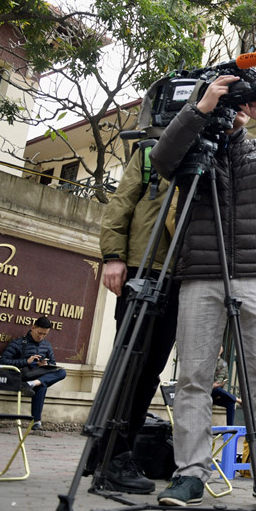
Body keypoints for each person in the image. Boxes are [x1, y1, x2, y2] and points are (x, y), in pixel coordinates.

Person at [149, 74, 256, 511]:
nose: (237, 107)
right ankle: (189, 475)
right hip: (199, 274)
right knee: (193, 380)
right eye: (233, 99)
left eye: (242, 103)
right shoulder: (192, 148)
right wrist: (202, 108)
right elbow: (162, 159)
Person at [94, 147, 180, 493]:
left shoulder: (210, 153)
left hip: (181, 275)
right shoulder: (151, 152)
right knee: (128, 365)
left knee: (150, 372)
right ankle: (111, 454)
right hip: (143, 267)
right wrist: (113, 256)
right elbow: (121, 203)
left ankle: (113, 450)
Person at [0, 316, 67, 431]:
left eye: (45, 334)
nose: (41, 337)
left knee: (62, 372)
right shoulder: (18, 343)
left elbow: (53, 365)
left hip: (38, 377)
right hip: (23, 377)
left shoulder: (46, 345)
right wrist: (26, 361)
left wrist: (45, 364)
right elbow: (3, 361)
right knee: (42, 386)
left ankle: (33, 384)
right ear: (33, 327)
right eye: (39, 333)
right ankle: (37, 421)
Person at [211, 347, 240, 426]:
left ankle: (230, 430)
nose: (219, 348)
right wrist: (211, 386)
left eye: (221, 347)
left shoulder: (224, 363)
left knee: (230, 402)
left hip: (219, 393)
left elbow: (226, 379)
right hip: (207, 392)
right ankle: (237, 399)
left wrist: (223, 392)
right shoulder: (208, 362)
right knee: (216, 388)